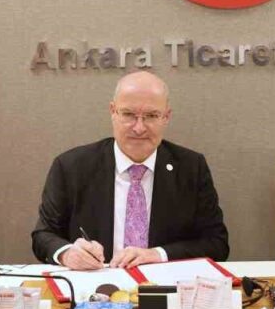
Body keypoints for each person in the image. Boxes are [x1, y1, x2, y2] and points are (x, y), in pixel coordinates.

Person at [31, 71, 229, 270]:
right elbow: (44, 235)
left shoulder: (191, 168)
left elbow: (217, 244)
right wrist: (67, 253)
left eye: (151, 116)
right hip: (95, 283)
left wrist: (158, 254)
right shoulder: (72, 167)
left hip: (164, 284)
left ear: (166, 117)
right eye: (128, 114)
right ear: (113, 112)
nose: (139, 128)